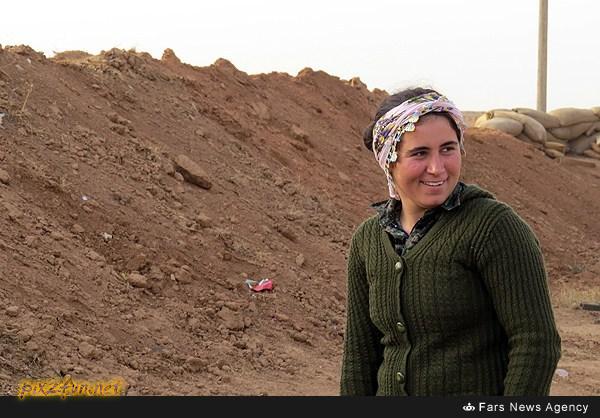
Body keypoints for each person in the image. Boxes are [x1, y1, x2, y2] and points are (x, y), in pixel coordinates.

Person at [339, 87, 561, 396]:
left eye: (447, 149)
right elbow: (359, 355)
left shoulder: (492, 227)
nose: (437, 168)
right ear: (389, 160)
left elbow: (536, 343)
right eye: (420, 153)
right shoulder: (368, 240)